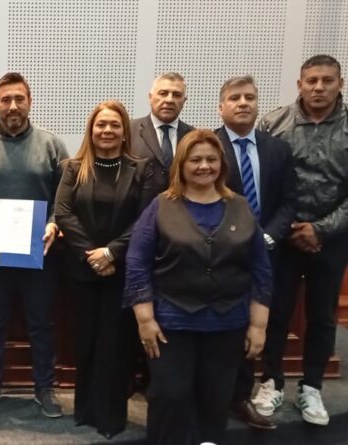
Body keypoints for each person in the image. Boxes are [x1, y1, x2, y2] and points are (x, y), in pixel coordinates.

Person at [124, 129, 272, 445]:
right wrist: (145, 320)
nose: (204, 166)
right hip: (170, 325)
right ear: (181, 164)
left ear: (222, 164)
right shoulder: (160, 206)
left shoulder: (241, 206)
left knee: (216, 399)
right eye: (195, 160)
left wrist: (259, 326)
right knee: (170, 396)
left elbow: (261, 269)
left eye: (211, 159)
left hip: (227, 324)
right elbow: (137, 264)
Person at [0, 72, 68, 418]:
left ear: (30, 102)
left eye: (19, 99)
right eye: (5, 100)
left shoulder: (52, 145)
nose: (13, 106)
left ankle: (44, 387)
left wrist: (54, 223)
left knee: (41, 323)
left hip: (40, 253)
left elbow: (65, 198)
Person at [54, 100, 157, 438]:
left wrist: (111, 253)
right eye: (101, 125)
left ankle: (111, 417)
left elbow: (145, 219)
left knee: (115, 346)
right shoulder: (73, 168)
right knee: (86, 342)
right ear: (91, 130)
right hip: (82, 271)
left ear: (124, 131)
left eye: (114, 125)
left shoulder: (140, 169)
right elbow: (64, 212)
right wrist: (93, 255)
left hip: (123, 271)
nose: (107, 130)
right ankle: (85, 410)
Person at [254, 54, 348, 426]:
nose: (319, 87)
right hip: (283, 236)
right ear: (300, 84)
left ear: (340, 84)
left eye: (327, 80)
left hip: (333, 238)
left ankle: (312, 387)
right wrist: (288, 228)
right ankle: (271, 381)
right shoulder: (273, 123)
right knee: (275, 311)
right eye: (311, 81)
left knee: (322, 315)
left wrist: (320, 229)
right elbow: (263, 183)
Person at [213, 75, 296, 430]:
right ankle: (214, 396)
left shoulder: (278, 149)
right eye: (235, 98)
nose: (243, 103)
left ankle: (241, 396)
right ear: (221, 107)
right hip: (220, 254)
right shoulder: (207, 146)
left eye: (249, 97)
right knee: (223, 324)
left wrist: (268, 237)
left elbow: (289, 201)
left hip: (268, 252)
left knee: (258, 323)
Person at [131, 72, 194, 190]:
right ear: (150, 97)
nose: (169, 100)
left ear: (184, 101)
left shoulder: (193, 136)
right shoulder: (129, 131)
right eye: (163, 93)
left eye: (176, 95)